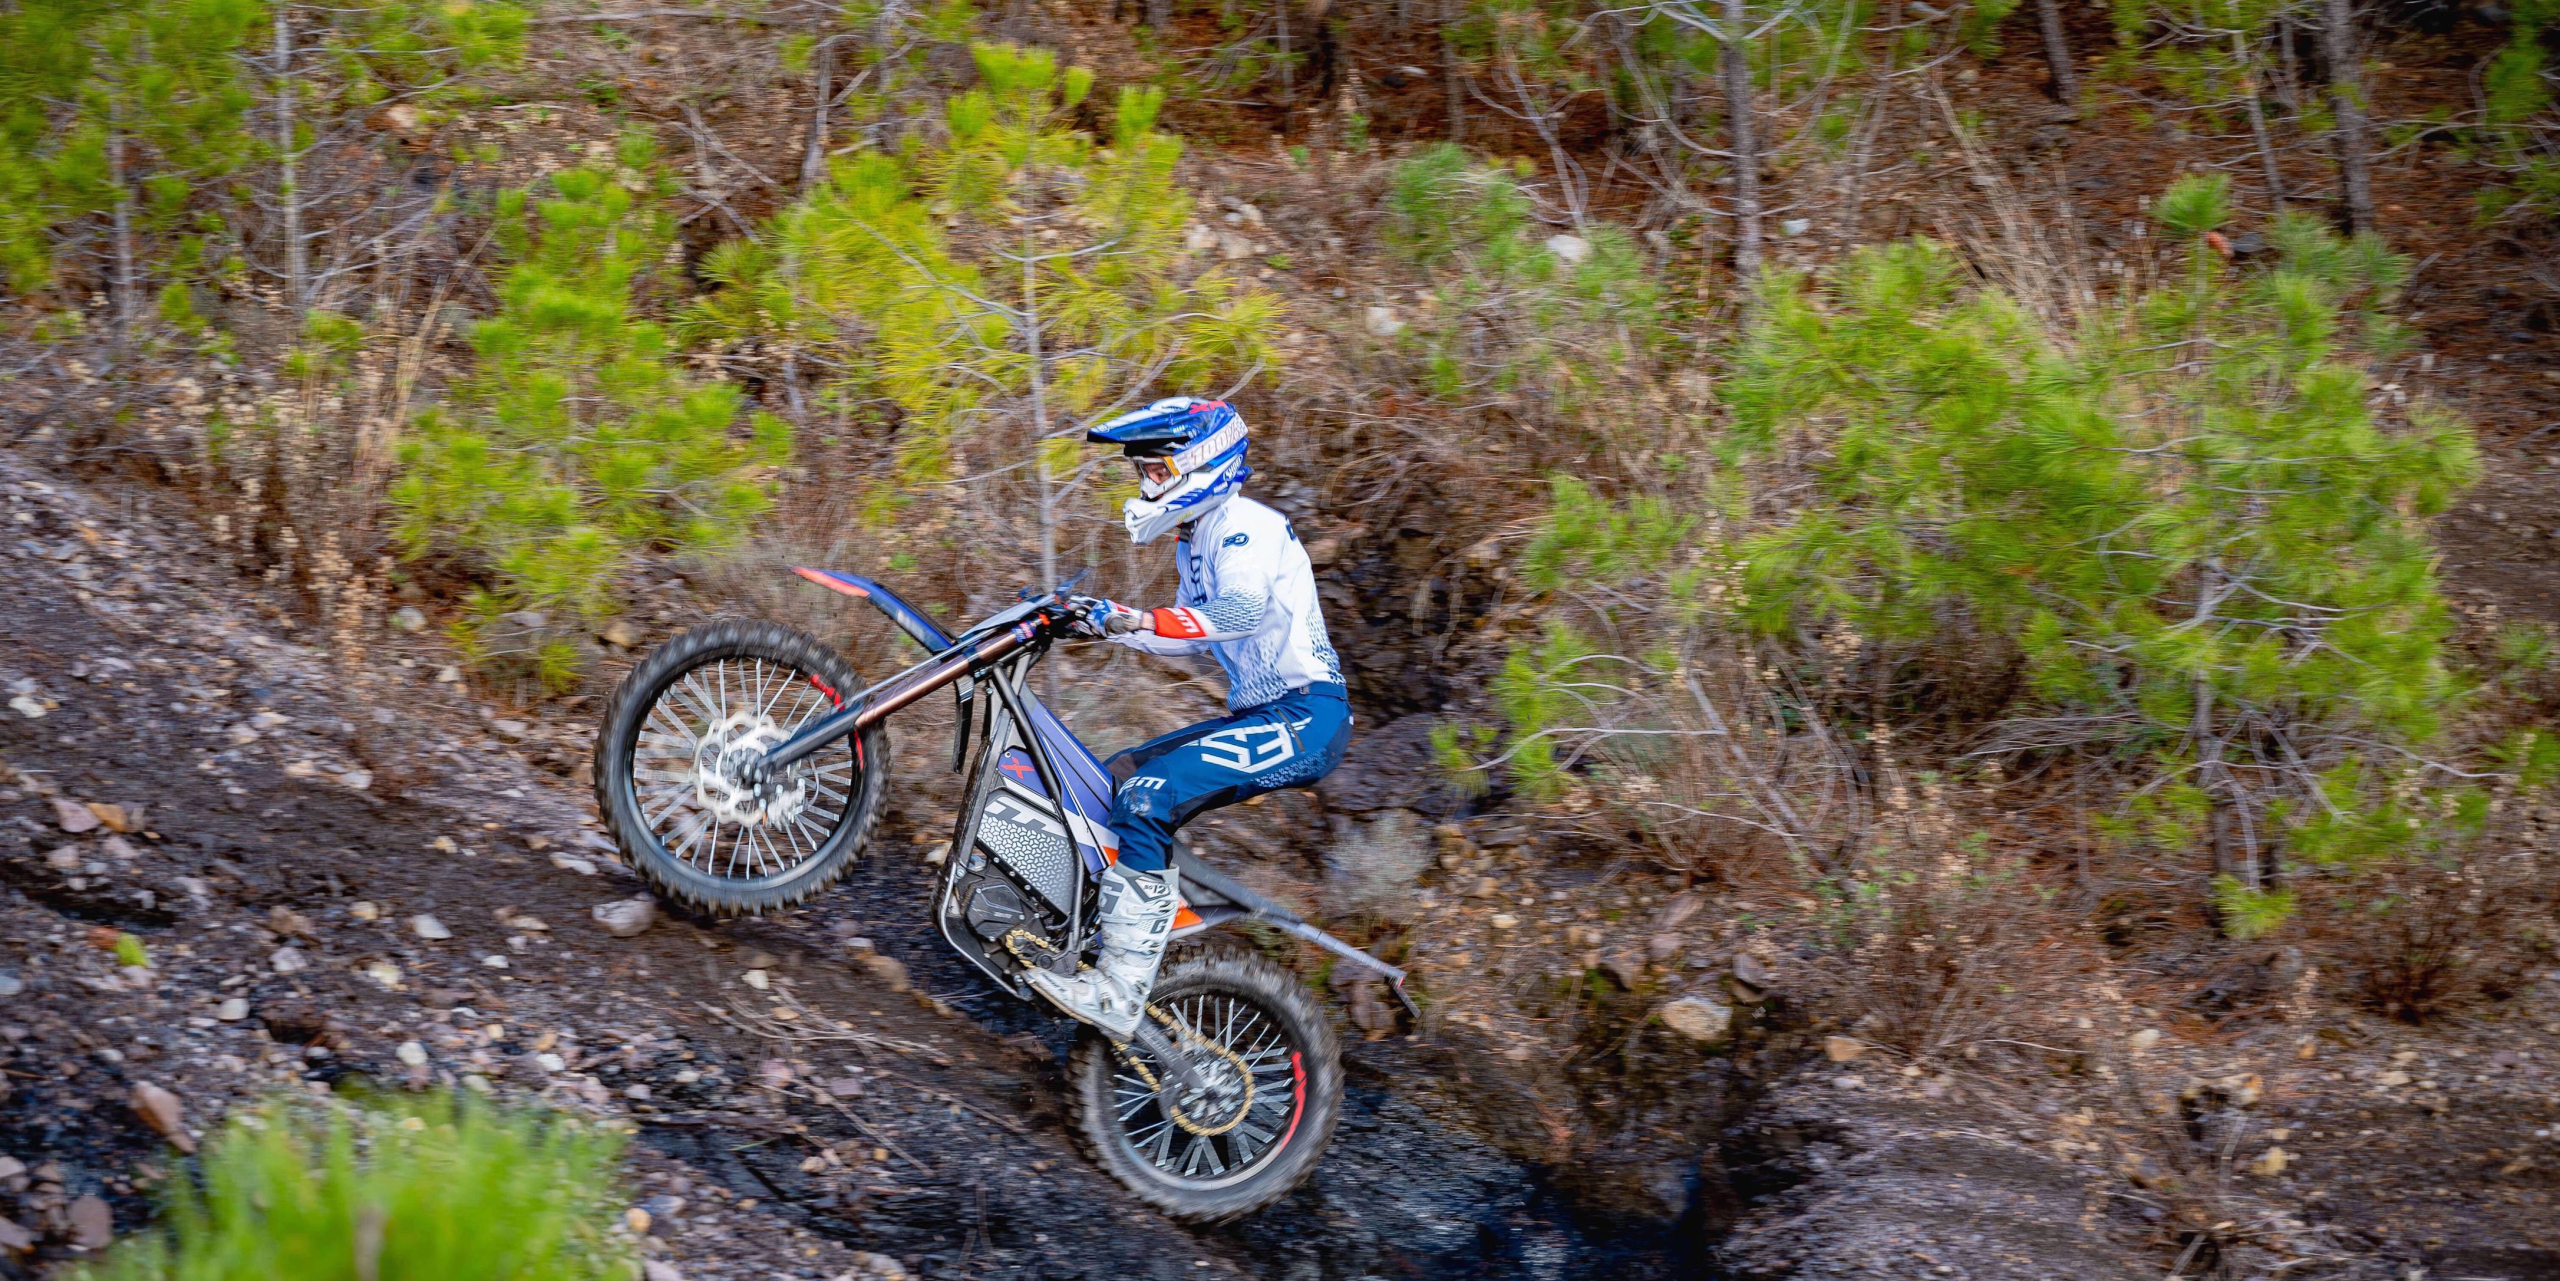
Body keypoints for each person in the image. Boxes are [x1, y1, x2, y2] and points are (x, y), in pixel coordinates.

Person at [1021, 397, 1351, 1038]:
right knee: (1117, 775)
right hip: (1266, 711)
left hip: (1308, 716)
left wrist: (1138, 619)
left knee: (1148, 793)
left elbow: (1236, 616)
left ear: (1202, 465)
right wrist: (1102, 619)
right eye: (1142, 472)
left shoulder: (1244, 529)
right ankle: (1105, 934)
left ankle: (1118, 987)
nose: (1147, 484)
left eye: (1158, 471)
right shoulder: (1197, 538)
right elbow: (1188, 636)